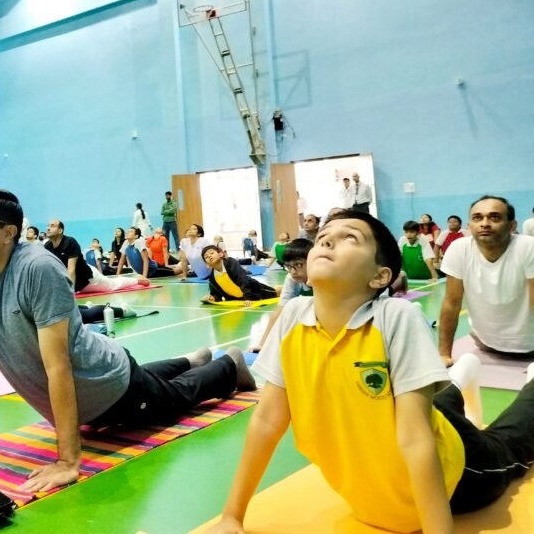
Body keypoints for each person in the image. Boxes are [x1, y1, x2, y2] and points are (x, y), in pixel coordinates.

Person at [206, 211, 534, 534]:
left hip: (459, 474)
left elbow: (415, 438)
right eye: (323, 238)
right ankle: (461, 374)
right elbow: (266, 421)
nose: (328, 242)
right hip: (400, 424)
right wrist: (231, 517)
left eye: (350, 237)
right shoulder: (293, 316)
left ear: (379, 277)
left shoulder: (395, 316)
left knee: (512, 440)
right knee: (432, 402)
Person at [0, 187, 256, 491]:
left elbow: (58, 364)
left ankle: (229, 365)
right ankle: (189, 361)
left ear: (8, 233)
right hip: (99, 378)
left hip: (108, 388)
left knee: (177, 397)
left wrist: (68, 461)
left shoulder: (37, 268)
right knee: (149, 381)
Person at [438, 195, 534, 364]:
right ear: (469, 226)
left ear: (512, 226)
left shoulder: (528, 247)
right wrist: (443, 354)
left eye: (494, 217)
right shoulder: (459, 249)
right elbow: (451, 304)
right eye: (477, 218)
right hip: (486, 345)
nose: (484, 223)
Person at [47, 221, 148, 294]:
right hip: (77, 285)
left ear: (60, 230)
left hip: (88, 279)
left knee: (112, 285)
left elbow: (71, 269)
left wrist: (70, 293)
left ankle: (138, 280)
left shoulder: (69, 242)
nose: (48, 228)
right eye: (48, 226)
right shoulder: (47, 246)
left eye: (52, 226)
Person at [252, 238, 313, 352]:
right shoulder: (292, 278)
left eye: (298, 265)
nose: (293, 271)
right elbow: (280, 310)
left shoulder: (326, 277)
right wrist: (263, 344)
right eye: (289, 266)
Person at [201, 246, 278, 303]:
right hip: (238, 299)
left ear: (221, 254)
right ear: (207, 264)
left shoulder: (230, 262)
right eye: (206, 257)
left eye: (211, 253)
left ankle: (282, 288)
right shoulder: (212, 277)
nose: (209, 256)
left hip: (254, 290)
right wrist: (212, 298)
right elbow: (216, 294)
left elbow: (243, 280)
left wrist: (248, 298)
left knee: (275, 293)